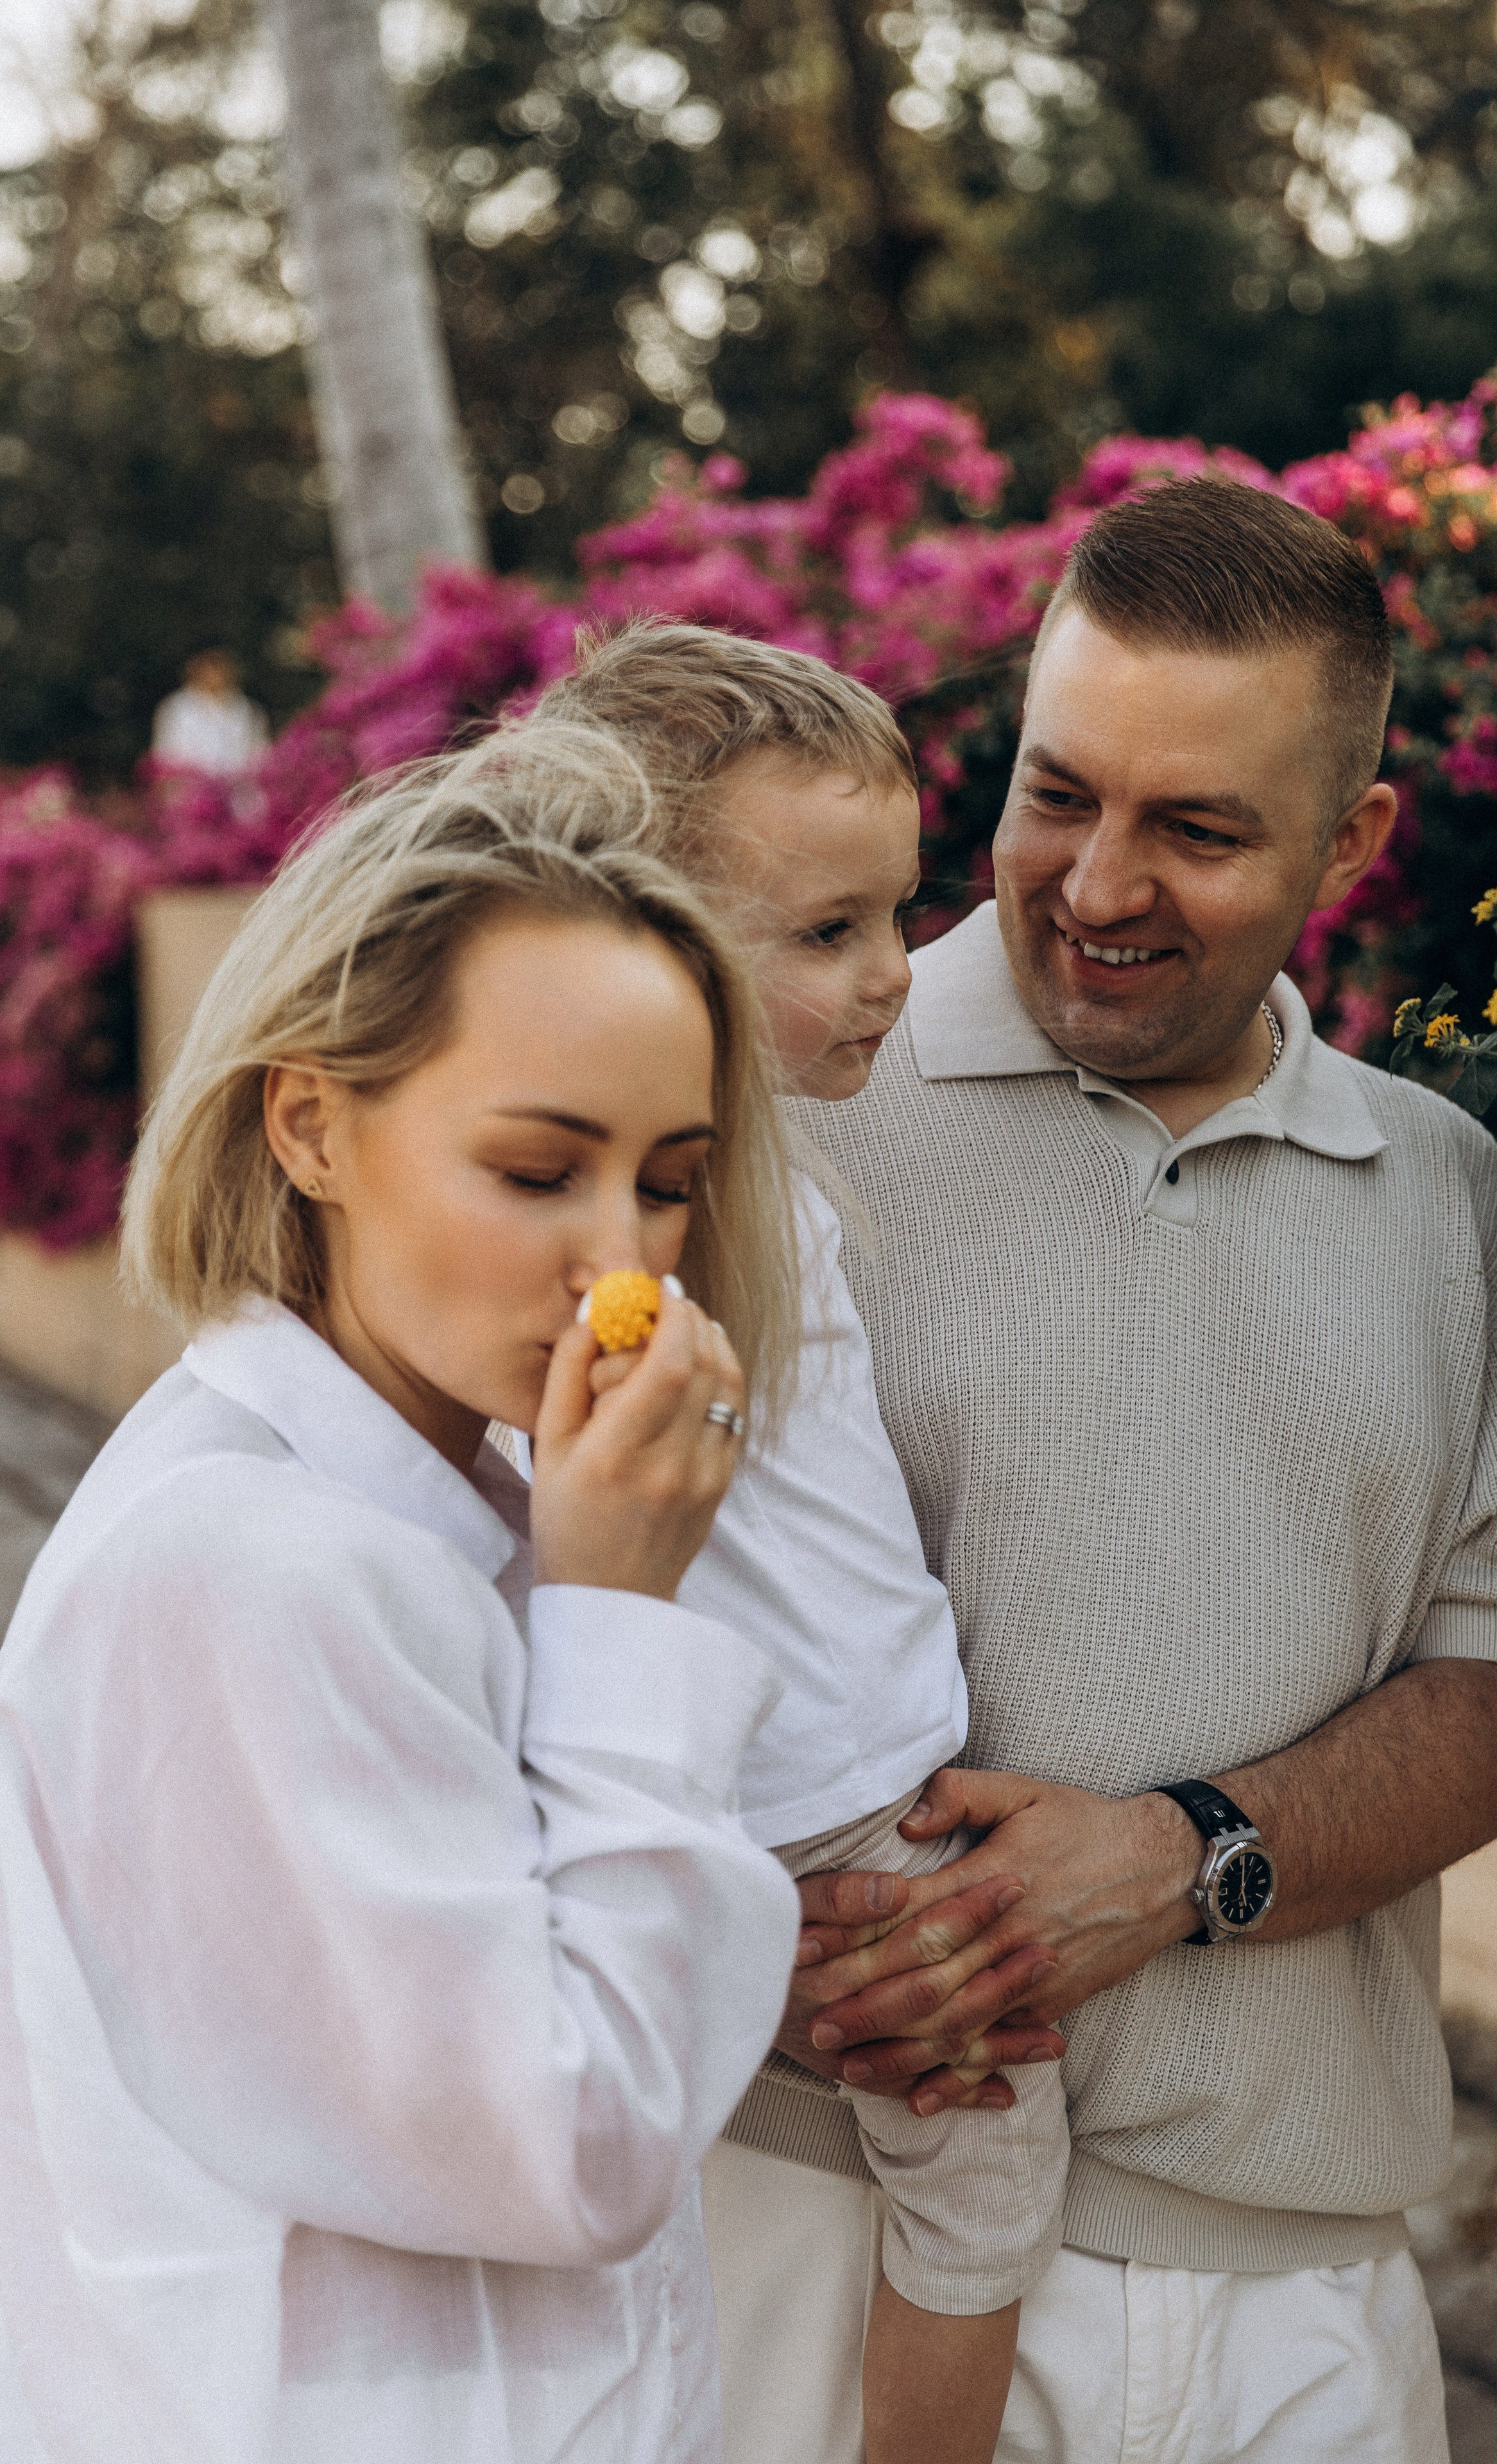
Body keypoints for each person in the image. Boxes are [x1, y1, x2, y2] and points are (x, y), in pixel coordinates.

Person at [758, 477, 1497, 2461]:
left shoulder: (1449, 1194)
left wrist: (1175, 1860)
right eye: (1057, 792)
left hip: (1310, 2311)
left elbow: (1488, 1687)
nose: (1093, 882)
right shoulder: (775, 1116)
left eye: (1194, 827)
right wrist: (739, 1972)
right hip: (838, 2258)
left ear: (1352, 844)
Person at [0, 722, 805, 2463]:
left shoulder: (460, 1517)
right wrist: (624, 1628)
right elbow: (573, 2142)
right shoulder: (255, 1567)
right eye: (534, 1168)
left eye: (667, 1183)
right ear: (311, 1129)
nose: (626, 1270)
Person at [534, 626, 1072, 2464]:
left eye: (897, 917)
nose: (892, 979)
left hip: (828, 1788)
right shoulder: (666, 1224)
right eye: (825, 931)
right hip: (834, 1813)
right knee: (991, 2191)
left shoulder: (758, 1173)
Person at [151, 646, 268, 775]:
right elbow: (166, 759)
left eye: (222, 664)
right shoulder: (175, 708)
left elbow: (260, 759)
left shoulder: (250, 710)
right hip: (193, 790)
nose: (217, 672)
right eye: (211, 664)